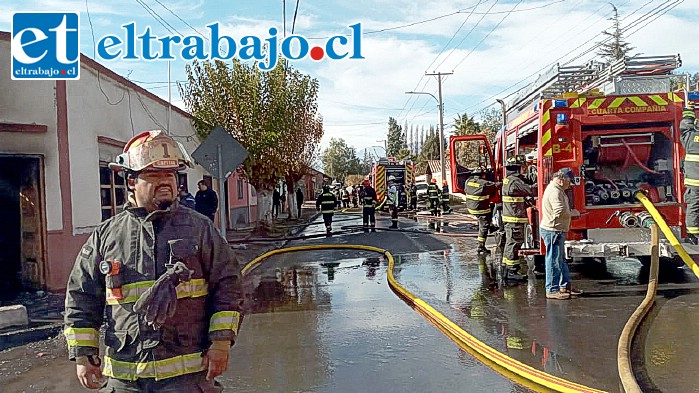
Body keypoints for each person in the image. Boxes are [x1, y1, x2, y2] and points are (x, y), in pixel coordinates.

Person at [64, 130, 244, 391]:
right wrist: (83, 354)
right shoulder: (106, 235)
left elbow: (229, 286)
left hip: (187, 378)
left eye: (170, 174)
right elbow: (81, 295)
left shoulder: (199, 228)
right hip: (125, 380)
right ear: (131, 181)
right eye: (153, 174)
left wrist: (221, 343)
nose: (165, 181)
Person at [540, 167, 581, 300]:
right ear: (561, 179)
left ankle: (564, 286)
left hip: (556, 230)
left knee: (560, 260)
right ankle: (552, 289)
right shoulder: (555, 192)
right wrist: (573, 213)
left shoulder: (558, 190)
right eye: (569, 181)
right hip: (553, 230)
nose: (570, 184)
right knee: (553, 261)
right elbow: (560, 211)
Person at [502, 155, 538, 280]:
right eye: (523, 167)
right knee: (514, 244)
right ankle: (512, 272)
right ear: (517, 168)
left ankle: (507, 269)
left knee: (511, 243)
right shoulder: (515, 182)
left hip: (511, 217)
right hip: (514, 218)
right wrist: (542, 180)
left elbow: (525, 179)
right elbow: (531, 190)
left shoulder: (509, 179)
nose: (524, 169)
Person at [464, 169, 501, 255]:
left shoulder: (468, 181)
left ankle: (491, 225)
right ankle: (481, 247)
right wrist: (505, 182)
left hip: (471, 207)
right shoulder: (484, 183)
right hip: (480, 209)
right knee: (484, 226)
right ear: (482, 175)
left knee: (491, 208)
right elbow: (496, 185)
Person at [681, 102, 699, 244]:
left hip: (694, 183)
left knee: (694, 205)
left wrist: (688, 110)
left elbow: (685, 127)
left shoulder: (690, 138)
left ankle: (693, 236)